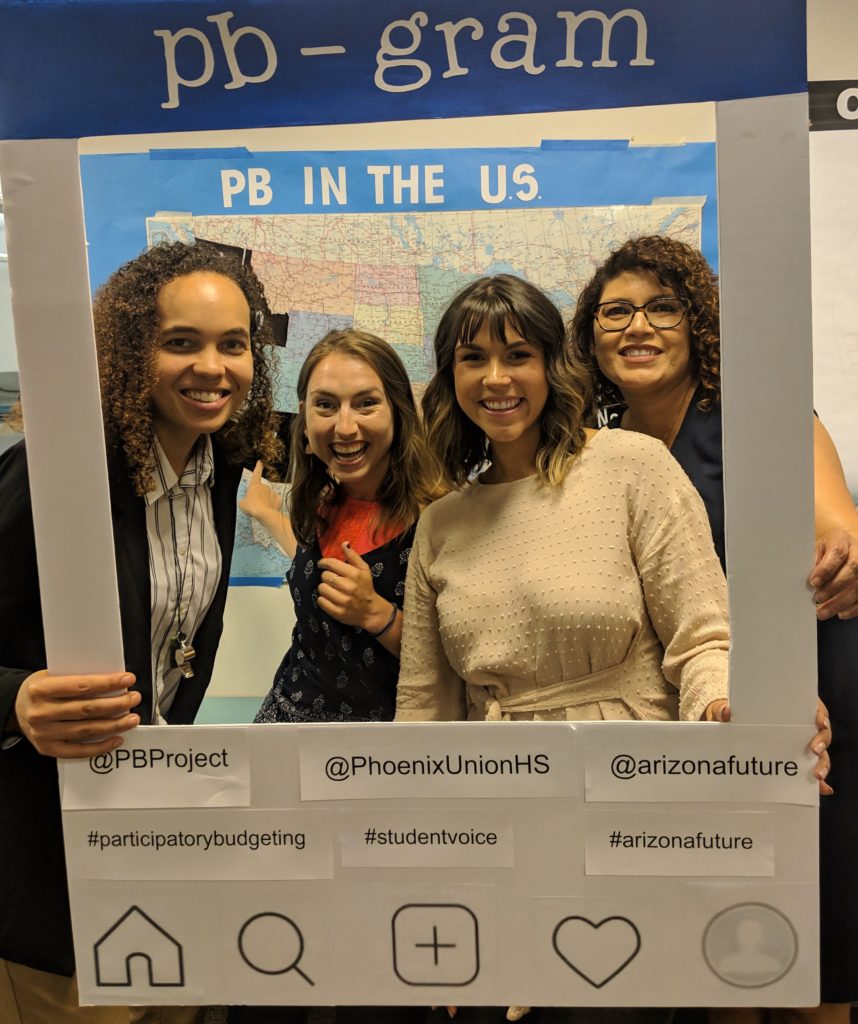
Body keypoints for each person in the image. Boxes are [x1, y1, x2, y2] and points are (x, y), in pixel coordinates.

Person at [395, 274, 831, 1024]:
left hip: (633, 797)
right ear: (450, 378)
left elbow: (704, 635)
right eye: (473, 359)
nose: (497, 379)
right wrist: (425, 864)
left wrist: (734, 712)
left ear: (554, 365)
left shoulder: (631, 467)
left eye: (518, 355)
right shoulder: (441, 524)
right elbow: (424, 708)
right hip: (499, 809)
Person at [568, 234, 854, 1024]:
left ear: (699, 325)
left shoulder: (763, 417)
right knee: (716, 943)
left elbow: (839, 529)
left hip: (807, 692)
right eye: (615, 311)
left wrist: (849, 550)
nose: (638, 326)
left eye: (663, 308)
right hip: (688, 711)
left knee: (812, 942)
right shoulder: (596, 451)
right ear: (589, 335)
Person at [0, 241, 282, 1024]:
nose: (213, 367)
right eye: (181, 342)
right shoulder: (59, 477)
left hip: (154, 844)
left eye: (234, 344)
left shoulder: (218, 476)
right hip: (48, 874)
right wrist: (17, 699)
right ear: (131, 352)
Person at [232, 328, 442, 1024]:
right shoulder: (319, 499)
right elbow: (323, 593)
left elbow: (466, 665)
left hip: (382, 781)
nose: (344, 426)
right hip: (285, 759)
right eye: (325, 405)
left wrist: (381, 616)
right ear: (305, 416)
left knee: (371, 972)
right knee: (274, 960)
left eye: (364, 404)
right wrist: (271, 519)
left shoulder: (441, 513)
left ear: (397, 413)